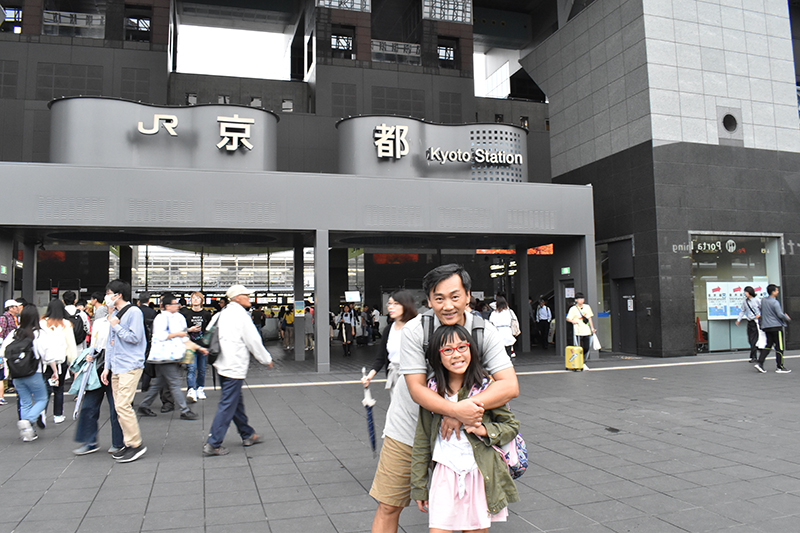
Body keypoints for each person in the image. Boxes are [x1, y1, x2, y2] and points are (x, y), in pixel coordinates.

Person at [368, 264, 518, 533]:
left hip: (463, 437)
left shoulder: (484, 331)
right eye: (439, 298)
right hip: (409, 429)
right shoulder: (415, 331)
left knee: (472, 517)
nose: (447, 305)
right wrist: (455, 410)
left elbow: (509, 386)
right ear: (429, 300)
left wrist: (458, 411)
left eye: (455, 296)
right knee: (389, 504)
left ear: (468, 295)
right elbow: (416, 389)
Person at [411, 325, 519, 531]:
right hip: (445, 472)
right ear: (437, 356)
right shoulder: (432, 392)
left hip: (479, 473)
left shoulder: (486, 387)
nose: (457, 354)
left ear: (472, 350)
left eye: (462, 347)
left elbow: (510, 426)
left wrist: (484, 430)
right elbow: (422, 439)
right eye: (448, 350)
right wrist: (418, 486)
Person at [204, 285, 273, 456]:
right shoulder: (241, 316)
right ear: (236, 297)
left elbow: (207, 332)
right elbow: (254, 341)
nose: (249, 297)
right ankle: (213, 443)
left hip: (221, 364)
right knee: (228, 404)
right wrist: (266, 359)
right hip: (234, 365)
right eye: (246, 295)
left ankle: (248, 434)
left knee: (235, 402)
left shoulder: (221, 313)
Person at [101, 279, 148, 463]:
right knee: (119, 407)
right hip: (117, 366)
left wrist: (116, 325)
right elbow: (109, 343)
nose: (107, 297)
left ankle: (135, 444)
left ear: (118, 295)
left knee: (122, 406)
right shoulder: (116, 313)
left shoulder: (134, 312)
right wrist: (107, 367)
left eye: (109, 293)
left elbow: (135, 338)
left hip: (130, 365)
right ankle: (129, 444)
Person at [72, 299, 124, 455]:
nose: (110, 301)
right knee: (89, 405)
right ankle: (89, 441)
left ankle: (118, 442)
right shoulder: (99, 322)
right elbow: (94, 343)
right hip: (97, 364)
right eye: (108, 296)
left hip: (116, 365)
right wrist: (89, 354)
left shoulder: (124, 320)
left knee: (117, 406)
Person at [137, 293, 200, 420]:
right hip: (165, 356)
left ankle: (144, 405)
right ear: (167, 306)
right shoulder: (161, 318)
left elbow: (182, 334)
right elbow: (161, 336)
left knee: (159, 383)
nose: (177, 305)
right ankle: (184, 410)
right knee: (175, 382)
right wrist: (179, 334)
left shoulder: (178, 317)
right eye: (174, 303)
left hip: (169, 355)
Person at [3, 305, 58, 442]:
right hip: (34, 372)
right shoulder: (39, 334)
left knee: (25, 402)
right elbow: (48, 355)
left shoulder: (14, 333)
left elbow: (3, 351)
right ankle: (28, 421)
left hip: (16, 374)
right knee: (42, 398)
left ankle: (28, 432)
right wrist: (55, 370)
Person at [362, 290, 417, 397]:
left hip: (413, 378)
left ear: (406, 305)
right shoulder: (389, 329)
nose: (390, 307)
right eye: (389, 303)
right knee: (396, 411)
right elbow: (381, 357)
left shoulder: (416, 328)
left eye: (396, 304)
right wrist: (369, 376)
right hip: (394, 376)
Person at [40, 299, 78, 425]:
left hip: (45, 361)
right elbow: (71, 344)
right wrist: (73, 361)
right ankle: (58, 415)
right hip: (61, 361)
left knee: (45, 388)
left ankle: (42, 413)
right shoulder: (66, 324)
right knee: (59, 388)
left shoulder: (42, 323)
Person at [180, 291, 212, 402]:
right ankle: (191, 389)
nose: (195, 300)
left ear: (202, 301)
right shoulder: (186, 314)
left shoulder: (206, 314)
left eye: (198, 298)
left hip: (202, 345)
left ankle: (200, 388)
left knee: (202, 369)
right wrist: (190, 330)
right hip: (190, 345)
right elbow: (181, 329)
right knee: (191, 369)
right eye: (193, 298)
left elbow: (209, 330)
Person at [755, 284, 791, 374]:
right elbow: (779, 314)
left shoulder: (764, 301)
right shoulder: (775, 302)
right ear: (773, 292)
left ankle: (760, 363)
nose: (777, 292)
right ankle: (780, 367)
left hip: (767, 326)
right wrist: (786, 318)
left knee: (768, 345)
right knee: (780, 347)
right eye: (777, 290)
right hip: (776, 326)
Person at [0, 299, 22, 405]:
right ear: (10, 308)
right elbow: (1, 332)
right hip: (7, 347)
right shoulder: (4, 318)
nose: (17, 308)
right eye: (15, 307)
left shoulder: (15, 318)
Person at [567, 292, 595, 370]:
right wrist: (572, 321)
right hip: (578, 331)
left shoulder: (587, 307)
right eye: (579, 299)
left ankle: (582, 360)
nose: (581, 300)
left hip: (586, 330)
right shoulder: (573, 309)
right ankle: (581, 362)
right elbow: (568, 318)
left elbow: (589, 318)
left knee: (586, 347)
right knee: (579, 347)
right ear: (576, 300)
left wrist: (592, 328)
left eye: (582, 299)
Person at [736, 286, 761, 363]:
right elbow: (742, 311)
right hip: (749, 321)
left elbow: (763, 308)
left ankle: (754, 356)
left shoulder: (757, 300)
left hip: (756, 321)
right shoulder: (745, 301)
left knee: (754, 339)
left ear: (749, 292)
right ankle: (758, 351)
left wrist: (759, 315)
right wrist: (738, 319)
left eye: (746, 292)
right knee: (750, 339)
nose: (745, 293)